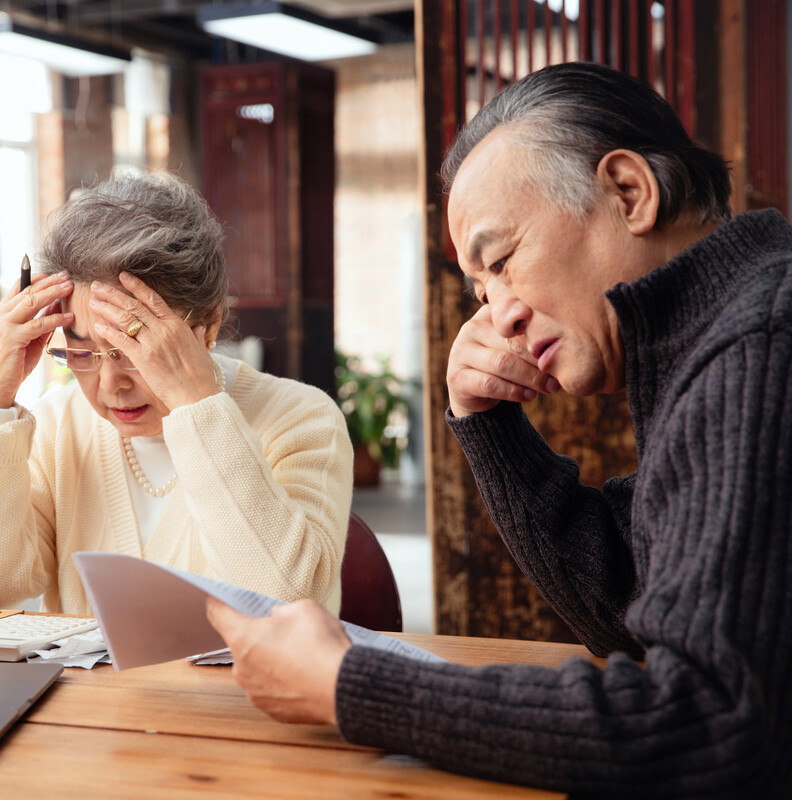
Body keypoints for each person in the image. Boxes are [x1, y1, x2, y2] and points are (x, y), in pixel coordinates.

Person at [206, 61, 792, 797]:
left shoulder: (757, 345)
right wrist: (489, 424)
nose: (497, 316)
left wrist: (348, 684)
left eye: (505, 261)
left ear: (629, 193)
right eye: (482, 290)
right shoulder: (722, 335)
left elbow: (707, 724)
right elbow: (624, 611)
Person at [0, 171, 353, 616]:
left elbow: (283, 600)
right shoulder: (57, 427)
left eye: (135, 347)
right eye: (82, 352)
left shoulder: (302, 419)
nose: (112, 384)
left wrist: (198, 405)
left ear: (207, 325)